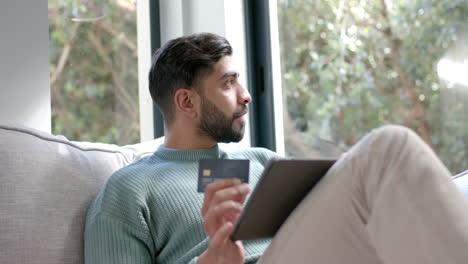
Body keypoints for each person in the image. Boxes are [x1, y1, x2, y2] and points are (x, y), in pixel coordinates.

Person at [84, 32, 468, 264]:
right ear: (186, 103)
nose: (246, 96)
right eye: (228, 84)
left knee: (383, 167)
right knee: (389, 146)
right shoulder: (129, 190)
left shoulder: (262, 161)